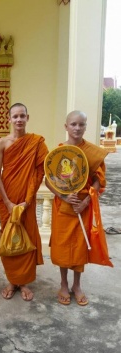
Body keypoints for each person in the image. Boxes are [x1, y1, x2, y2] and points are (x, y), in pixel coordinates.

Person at [45, 110, 108, 306]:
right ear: (66, 126)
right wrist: (64, 196)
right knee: (63, 247)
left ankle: (77, 285)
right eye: (73, 124)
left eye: (81, 124)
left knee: (81, 247)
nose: (77, 128)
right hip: (64, 206)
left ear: (86, 126)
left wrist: (85, 202)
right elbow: (49, 181)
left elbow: (98, 181)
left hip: (83, 205)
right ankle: (63, 284)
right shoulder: (59, 152)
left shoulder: (93, 152)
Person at [0, 103, 48, 301]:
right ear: (9, 119)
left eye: (22, 116)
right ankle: (11, 280)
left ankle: (23, 282)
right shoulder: (2, 143)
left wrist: (26, 201)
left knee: (27, 237)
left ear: (27, 117)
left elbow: (40, 171)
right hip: (7, 199)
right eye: (15, 116)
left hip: (27, 199)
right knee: (7, 237)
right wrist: (8, 202)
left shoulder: (36, 142)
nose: (19, 120)